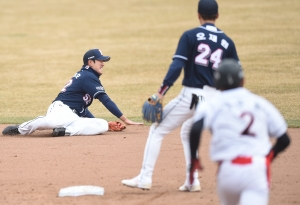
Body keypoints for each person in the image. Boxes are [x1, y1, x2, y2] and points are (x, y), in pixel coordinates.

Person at [121, 0, 239, 191]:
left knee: (156, 130)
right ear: (217, 16)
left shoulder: (190, 35)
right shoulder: (228, 42)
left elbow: (177, 66)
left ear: (198, 15)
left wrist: (159, 94)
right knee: (187, 131)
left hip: (192, 95)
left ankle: (145, 177)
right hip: (215, 99)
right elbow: (236, 74)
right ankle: (192, 181)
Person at [188, 59, 291, 205]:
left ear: (217, 83)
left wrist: (194, 159)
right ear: (242, 80)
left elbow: (196, 129)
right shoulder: (259, 102)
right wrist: (270, 156)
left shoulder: (211, 103)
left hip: (227, 171)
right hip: (256, 170)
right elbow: (285, 139)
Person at [2, 48, 142, 137]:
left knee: (101, 125)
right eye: (100, 60)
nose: (103, 63)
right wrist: (125, 119)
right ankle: (21, 128)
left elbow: (82, 108)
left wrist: (96, 122)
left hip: (74, 115)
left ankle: (64, 131)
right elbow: (105, 100)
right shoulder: (88, 76)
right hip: (62, 110)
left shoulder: (88, 76)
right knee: (49, 122)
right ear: (90, 62)